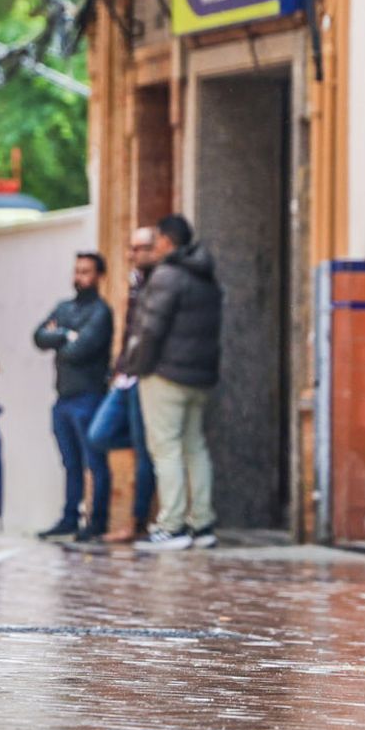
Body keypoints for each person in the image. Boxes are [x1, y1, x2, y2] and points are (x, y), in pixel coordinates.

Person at [125, 214, 223, 552]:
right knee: (194, 447)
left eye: (157, 240)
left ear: (166, 241)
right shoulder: (206, 275)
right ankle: (203, 523)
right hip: (200, 375)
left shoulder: (167, 275)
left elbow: (150, 329)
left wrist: (135, 366)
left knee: (165, 448)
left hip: (165, 375)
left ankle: (172, 526)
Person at [33, 252, 115, 543]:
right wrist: (69, 335)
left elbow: (78, 351)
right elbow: (39, 336)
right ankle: (70, 518)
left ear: (99, 276)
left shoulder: (101, 312)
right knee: (70, 463)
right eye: (77, 271)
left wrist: (62, 338)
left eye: (86, 272)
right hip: (63, 398)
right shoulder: (64, 307)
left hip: (89, 397)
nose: (79, 277)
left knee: (94, 461)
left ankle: (97, 520)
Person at [86, 227, 160, 542]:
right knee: (98, 435)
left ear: (157, 249)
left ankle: (137, 522)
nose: (132, 254)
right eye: (130, 248)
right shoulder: (136, 283)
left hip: (144, 375)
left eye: (139, 248)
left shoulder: (159, 283)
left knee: (145, 454)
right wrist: (119, 369)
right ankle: (147, 445)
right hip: (125, 377)